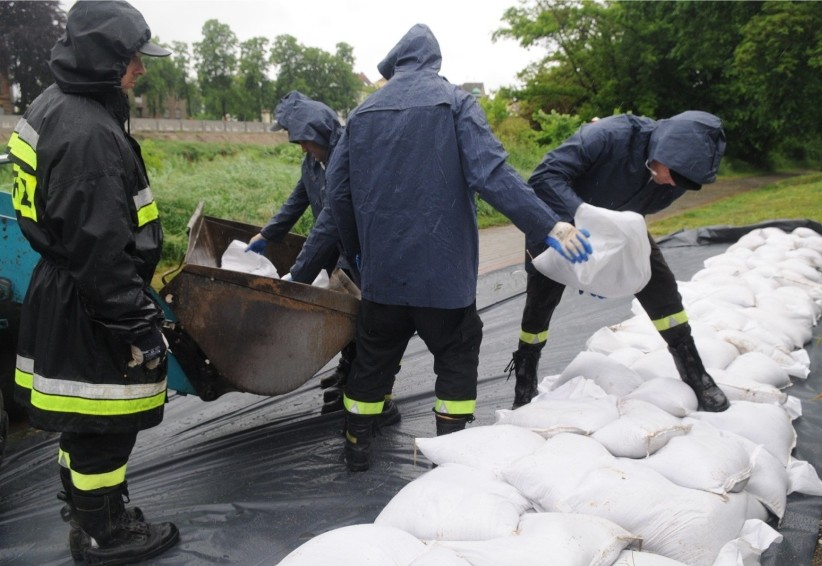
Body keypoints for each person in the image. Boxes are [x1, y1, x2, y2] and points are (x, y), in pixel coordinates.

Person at [323, 23, 592, 472]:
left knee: (373, 358)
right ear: (434, 62)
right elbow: (491, 175)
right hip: (442, 276)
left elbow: (338, 191)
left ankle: (356, 446)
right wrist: (550, 226)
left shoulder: (362, 113)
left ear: (396, 66)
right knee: (457, 351)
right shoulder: (455, 102)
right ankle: (450, 453)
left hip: (383, 277)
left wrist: (358, 253)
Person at [6, 1, 179, 562]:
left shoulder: (52, 103)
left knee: (82, 425)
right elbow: (101, 252)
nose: (141, 70)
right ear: (106, 59)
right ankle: (105, 535)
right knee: (106, 425)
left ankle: (85, 511)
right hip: (92, 303)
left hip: (65, 290)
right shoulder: (90, 139)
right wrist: (139, 327)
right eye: (134, 59)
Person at [507, 111, 731, 413]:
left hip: (616, 231)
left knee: (661, 287)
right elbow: (544, 178)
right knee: (539, 306)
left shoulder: (673, 179)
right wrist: (577, 222)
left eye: (681, 181)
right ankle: (525, 375)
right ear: (665, 149)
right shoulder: (607, 136)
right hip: (557, 226)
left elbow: (633, 217)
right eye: (672, 173)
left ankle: (695, 372)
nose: (669, 182)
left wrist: (605, 265)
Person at [246, 92, 400, 426]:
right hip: (339, 251)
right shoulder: (312, 162)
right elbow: (298, 199)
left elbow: (330, 219)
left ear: (316, 132)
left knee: (372, 325)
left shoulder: (349, 158)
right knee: (347, 318)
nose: (300, 147)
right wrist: (267, 234)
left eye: (302, 140)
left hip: (364, 253)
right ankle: (350, 373)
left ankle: (379, 399)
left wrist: (296, 277)